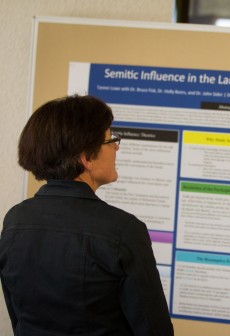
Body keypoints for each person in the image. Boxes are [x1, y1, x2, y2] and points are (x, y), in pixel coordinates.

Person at [0, 95, 174, 335]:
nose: (116, 146)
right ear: (86, 157)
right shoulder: (123, 230)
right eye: (110, 139)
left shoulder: (14, 221)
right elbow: (154, 330)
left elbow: (18, 316)